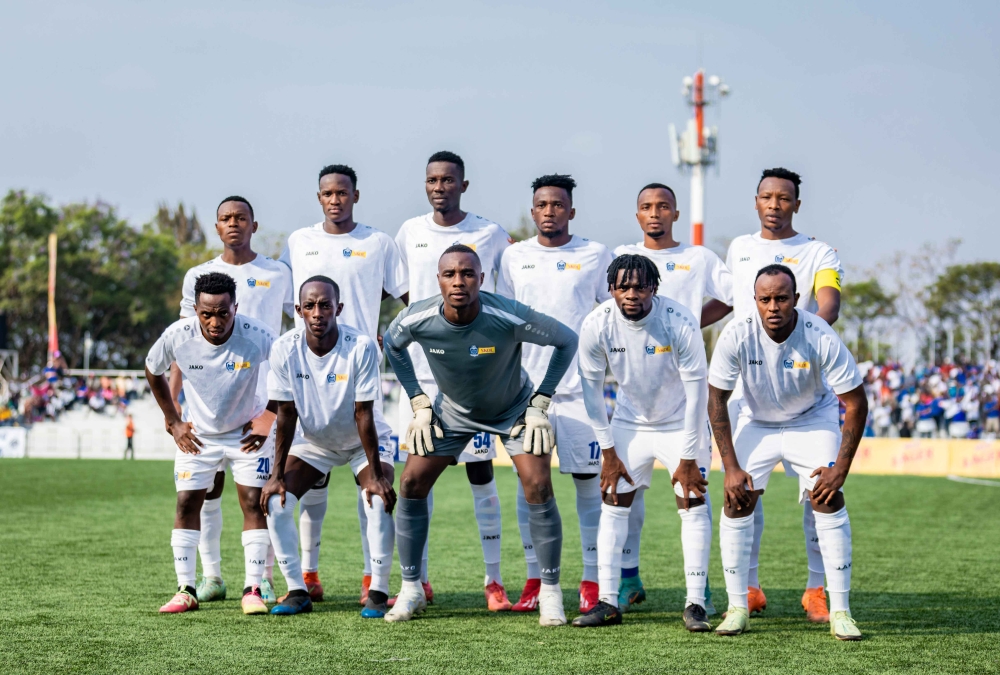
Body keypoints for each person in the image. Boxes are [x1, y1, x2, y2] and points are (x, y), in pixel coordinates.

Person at [382, 245, 578, 625]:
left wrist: (541, 401)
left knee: (537, 485)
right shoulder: (416, 317)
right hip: (452, 413)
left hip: (513, 410)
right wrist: (420, 402)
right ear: (437, 280)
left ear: (481, 279)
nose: (459, 281)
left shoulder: (505, 313)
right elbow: (392, 345)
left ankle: (551, 593)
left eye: (468, 273)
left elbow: (566, 340)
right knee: (409, 482)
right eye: (450, 274)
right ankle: (410, 589)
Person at [707, 264, 866, 639]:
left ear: (796, 300)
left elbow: (856, 402)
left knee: (827, 497)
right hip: (757, 420)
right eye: (766, 299)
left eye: (782, 298)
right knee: (736, 498)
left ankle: (841, 611)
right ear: (755, 301)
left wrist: (839, 469)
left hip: (811, 419)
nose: (774, 306)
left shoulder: (819, 334)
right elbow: (716, 400)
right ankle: (737, 607)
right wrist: (729, 466)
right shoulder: (737, 334)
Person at [279, 164, 406, 605]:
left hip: (356, 367)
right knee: (303, 492)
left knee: (371, 491)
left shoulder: (378, 243)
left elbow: (403, 295)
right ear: (319, 198)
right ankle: (305, 579)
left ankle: (374, 581)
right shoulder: (299, 242)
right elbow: (281, 292)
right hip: (312, 381)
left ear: (356, 195)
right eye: (328, 194)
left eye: (343, 193)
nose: (336, 200)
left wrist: (394, 335)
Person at [721, 168, 845, 622]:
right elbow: (728, 301)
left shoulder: (818, 251)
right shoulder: (739, 248)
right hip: (746, 391)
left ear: (797, 204)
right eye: (767, 197)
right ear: (756, 201)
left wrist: (806, 338)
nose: (774, 204)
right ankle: (749, 588)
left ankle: (817, 590)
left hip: (803, 388)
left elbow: (828, 301)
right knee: (742, 494)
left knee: (821, 494)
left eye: (784, 198)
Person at [393, 151, 515, 609]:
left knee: (481, 473)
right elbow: (409, 296)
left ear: (464, 185)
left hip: (477, 377)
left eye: (448, 180)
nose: (439, 186)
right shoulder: (409, 232)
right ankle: (416, 581)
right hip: (422, 380)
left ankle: (493, 580)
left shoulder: (490, 233)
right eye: (432, 180)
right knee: (417, 478)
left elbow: (506, 288)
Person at [572, 254, 712, 630]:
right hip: (630, 423)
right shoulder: (597, 324)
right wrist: (608, 451)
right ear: (611, 288)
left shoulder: (679, 321)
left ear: (654, 287)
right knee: (613, 506)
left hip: (682, 423)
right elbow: (591, 392)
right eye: (623, 286)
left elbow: (699, 394)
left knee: (692, 505)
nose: (631, 294)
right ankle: (606, 601)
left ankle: (696, 603)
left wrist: (687, 456)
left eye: (640, 286)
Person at [612, 182, 733, 612]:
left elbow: (734, 297)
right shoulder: (622, 256)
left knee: (692, 495)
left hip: (685, 401)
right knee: (628, 497)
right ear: (637, 214)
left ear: (676, 214)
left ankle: (699, 593)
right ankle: (627, 580)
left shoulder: (698, 258)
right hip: (634, 404)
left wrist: (690, 325)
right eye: (646, 206)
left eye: (663, 206)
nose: (655, 213)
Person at [495, 174, 612, 614]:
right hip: (526, 396)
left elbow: (609, 314)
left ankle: (592, 581)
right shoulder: (514, 257)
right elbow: (502, 320)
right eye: (542, 204)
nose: (550, 211)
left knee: (588, 487)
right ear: (533, 211)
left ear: (571, 211)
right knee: (532, 487)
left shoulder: (595, 254)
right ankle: (534, 579)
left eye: (558, 204)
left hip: (581, 394)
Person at [173, 196, 293, 606]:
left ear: (254, 225)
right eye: (226, 218)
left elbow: (296, 335)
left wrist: (274, 409)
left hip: (259, 405)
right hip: (205, 403)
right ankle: (211, 577)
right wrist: (174, 409)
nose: (234, 224)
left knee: (257, 495)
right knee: (205, 490)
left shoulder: (278, 272)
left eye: (241, 217)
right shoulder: (199, 275)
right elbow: (182, 342)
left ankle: (263, 579)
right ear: (216, 226)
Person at [261, 276, 397, 617]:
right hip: (314, 443)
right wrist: (276, 474)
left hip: (362, 442)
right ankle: (297, 591)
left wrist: (377, 475)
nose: (317, 312)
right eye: (309, 306)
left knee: (378, 500)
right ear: (298, 310)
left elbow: (363, 413)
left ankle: (378, 591)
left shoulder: (362, 346)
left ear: (339, 308)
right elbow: (286, 413)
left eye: (325, 305)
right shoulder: (284, 349)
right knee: (276, 502)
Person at [145, 272, 277, 615]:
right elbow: (152, 368)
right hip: (199, 435)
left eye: (223, 312)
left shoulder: (258, 336)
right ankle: (186, 589)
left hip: (247, 434)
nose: (215, 321)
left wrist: (268, 418)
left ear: (236, 306)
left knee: (253, 503)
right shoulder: (178, 335)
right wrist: (173, 421)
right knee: (187, 503)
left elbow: (289, 369)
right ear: (195, 309)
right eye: (206, 314)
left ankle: (253, 589)